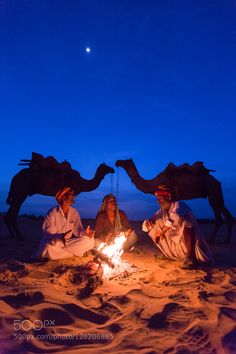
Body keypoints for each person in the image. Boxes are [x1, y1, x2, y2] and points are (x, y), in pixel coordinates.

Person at [142, 185, 213, 269]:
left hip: (192, 249)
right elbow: (145, 228)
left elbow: (175, 216)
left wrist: (161, 232)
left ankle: (191, 257)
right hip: (176, 249)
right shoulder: (162, 211)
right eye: (157, 199)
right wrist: (147, 223)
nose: (158, 201)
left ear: (168, 196)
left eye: (160, 198)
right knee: (155, 223)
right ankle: (168, 254)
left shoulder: (180, 204)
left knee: (186, 221)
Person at [36, 186, 94, 260]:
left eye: (73, 194)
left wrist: (85, 233)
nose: (74, 196)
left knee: (90, 241)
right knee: (47, 247)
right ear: (63, 197)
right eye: (71, 194)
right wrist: (61, 237)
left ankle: (62, 254)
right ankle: (76, 253)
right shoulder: (52, 212)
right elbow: (47, 235)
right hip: (55, 243)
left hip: (68, 243)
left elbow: (78, 231)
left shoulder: (74, 212)